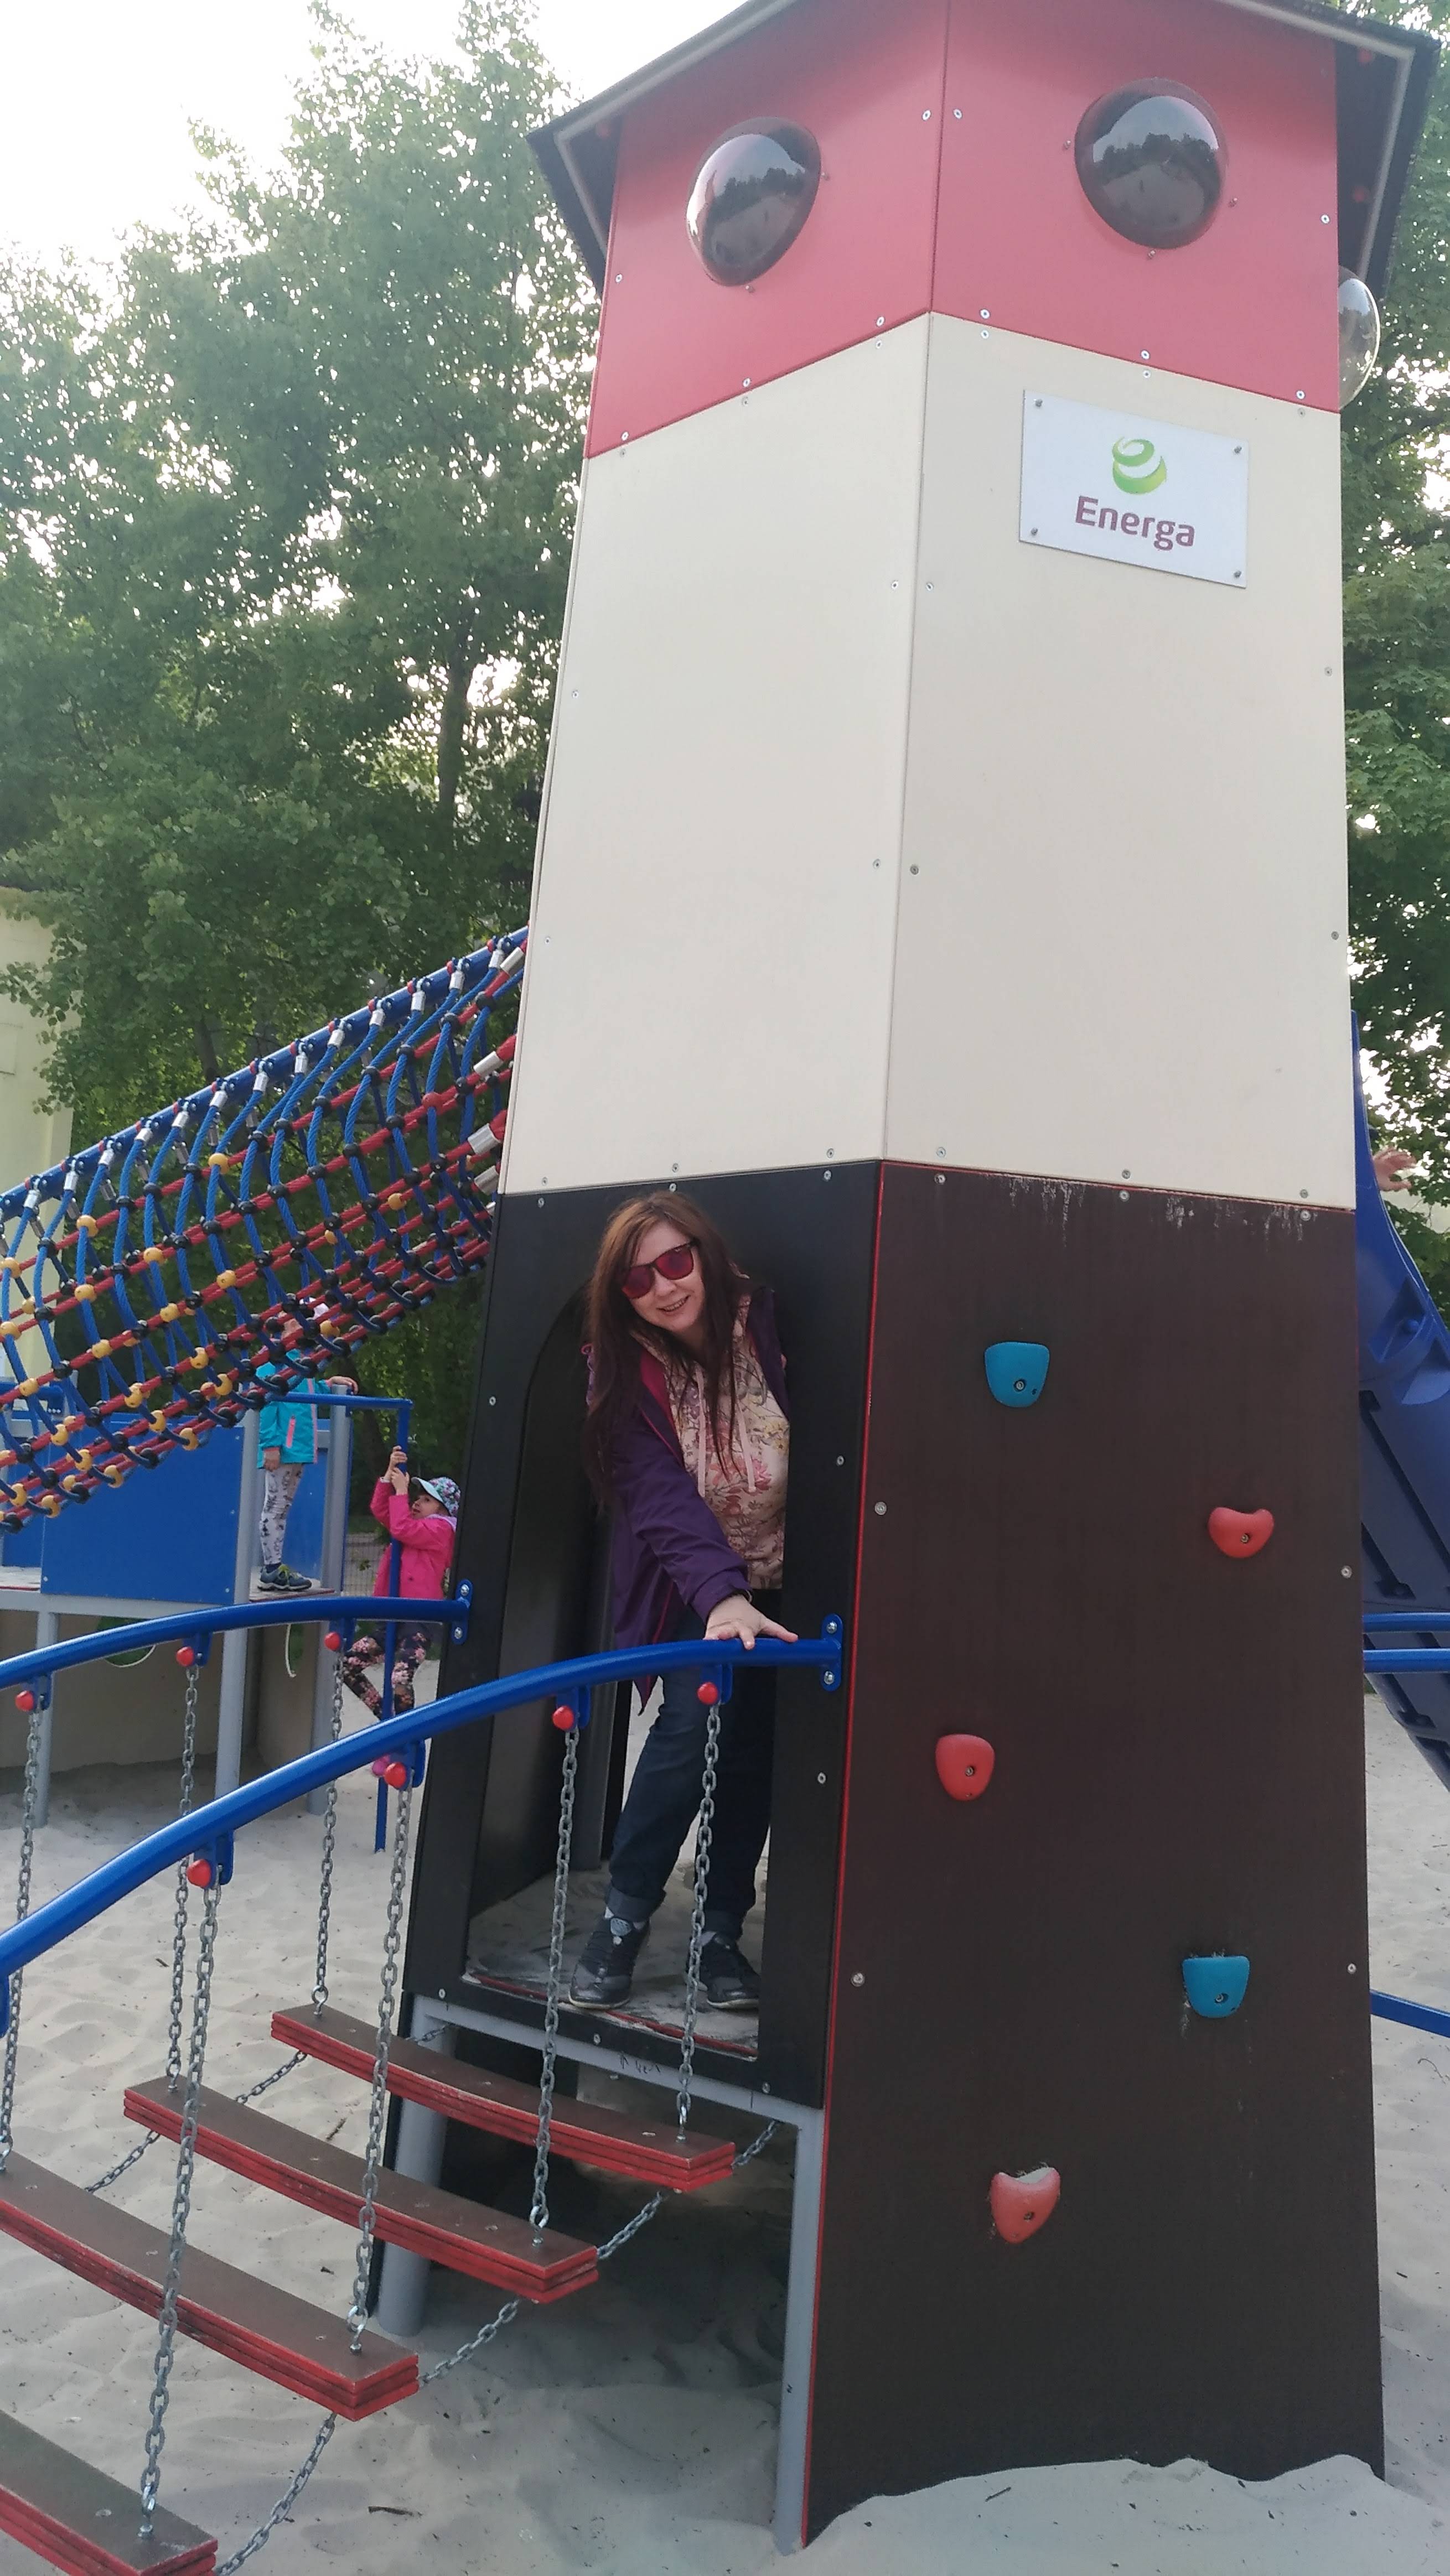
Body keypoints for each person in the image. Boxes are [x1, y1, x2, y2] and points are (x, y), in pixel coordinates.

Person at [570, 1192, 795, 2014]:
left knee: (755, 1751)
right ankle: (624, 1918)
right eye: (638, 1279)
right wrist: (721, 1596)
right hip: (698, 1584)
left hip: (789, 1575)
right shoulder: (624, 1368)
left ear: (704, 1252)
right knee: (691, 1727)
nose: (664, 1287)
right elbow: (659, 1497)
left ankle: (719, 1931)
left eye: (674, 1261)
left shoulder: (768, 1327)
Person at [339, 1447, 459, 1715]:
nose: (417, 1502)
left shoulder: (442, 1529)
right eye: (418, 1497)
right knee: (348, 1666)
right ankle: (386, 1716)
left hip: (419, 1617)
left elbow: (402, 1527)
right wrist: (388, 1475)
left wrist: (402, 1491)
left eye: (427, 1500)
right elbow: (381, 1510)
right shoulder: (410, 1526)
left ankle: (404, 1727)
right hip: (392, 1613)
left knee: (400, 1677)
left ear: (443, 1510)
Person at [255, 1312, 356, 1593]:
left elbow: (308, 1390)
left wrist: (330, 1384)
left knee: (282, 1507)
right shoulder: (272, 1362)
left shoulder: (300, 1361)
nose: (304, 1328)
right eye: (296, 1323)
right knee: (275, 1506)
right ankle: (272, 1569)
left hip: (298, 1446)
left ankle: (274, 1567)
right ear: (282, 1328)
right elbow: (266, 1404)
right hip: (283, 1447)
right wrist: (270, 1445)